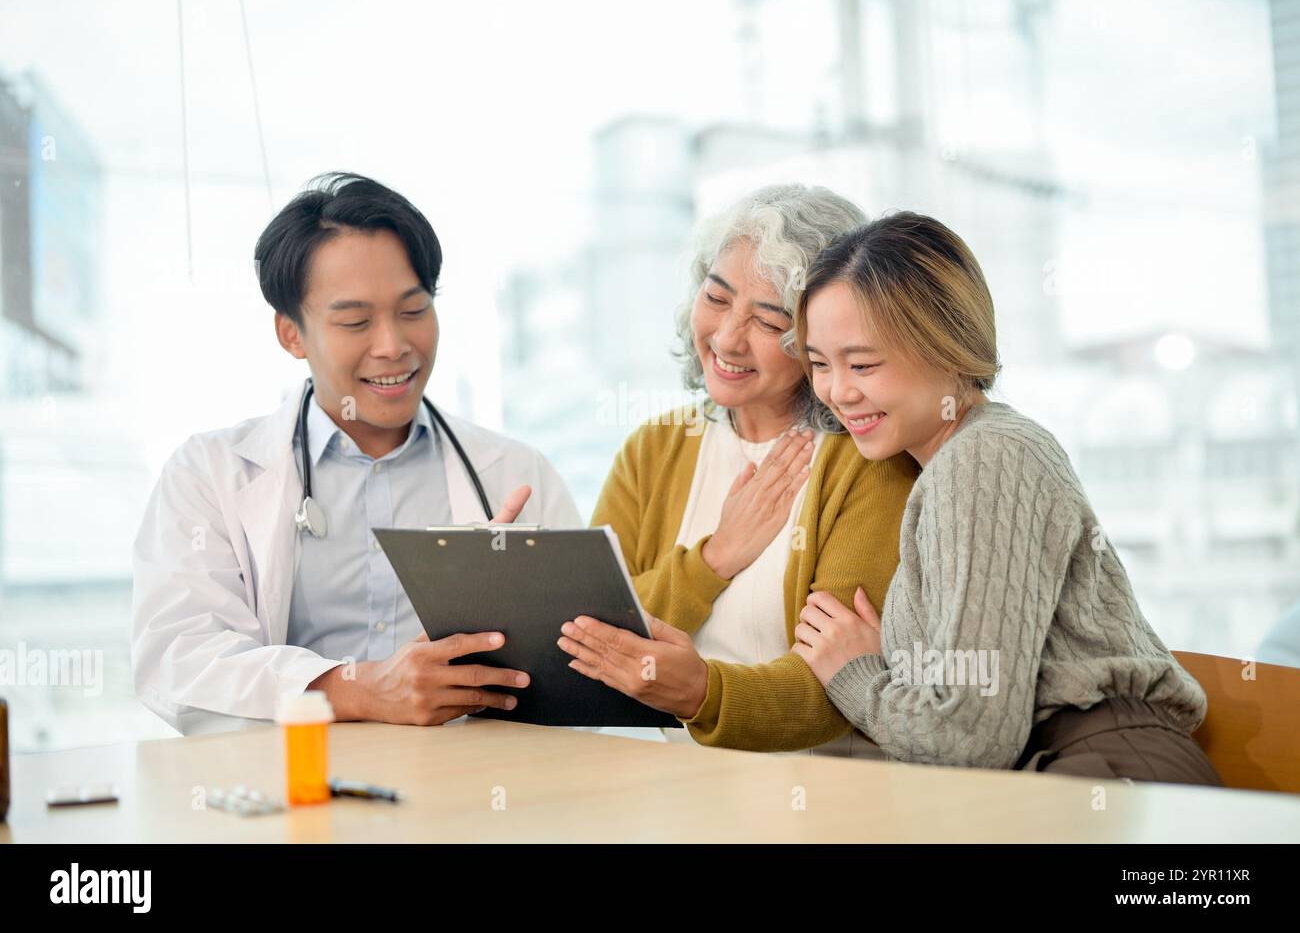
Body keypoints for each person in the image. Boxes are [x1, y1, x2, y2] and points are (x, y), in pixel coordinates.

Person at [132, 172, 581, 735]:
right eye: (355, 321)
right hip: (295, 796)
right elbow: (176, 659)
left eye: (413, 310)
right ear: (292, 334)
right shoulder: (209, 474)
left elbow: (582, 672)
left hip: (469, 800)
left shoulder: (516, 473)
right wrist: (362, 690)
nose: (393, 346)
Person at [790, 211, 1221, 785]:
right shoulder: (957, 458)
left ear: (944, 347)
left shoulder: (984, 457)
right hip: (1070, 773)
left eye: (863, 364)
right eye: (820, 364)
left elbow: (969, 737)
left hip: (1107, 773)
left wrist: (857, 675)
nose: (837, 391)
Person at [557, 185, 918, 755]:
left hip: (816, 798)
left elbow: (834, 688)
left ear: (822, 338)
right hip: (660, 788)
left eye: (770, 321)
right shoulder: (653, 449)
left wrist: (702, 693)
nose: (727, 337)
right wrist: (713, 559)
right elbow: (581, 638)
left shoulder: (868, 461)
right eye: (717, 298)